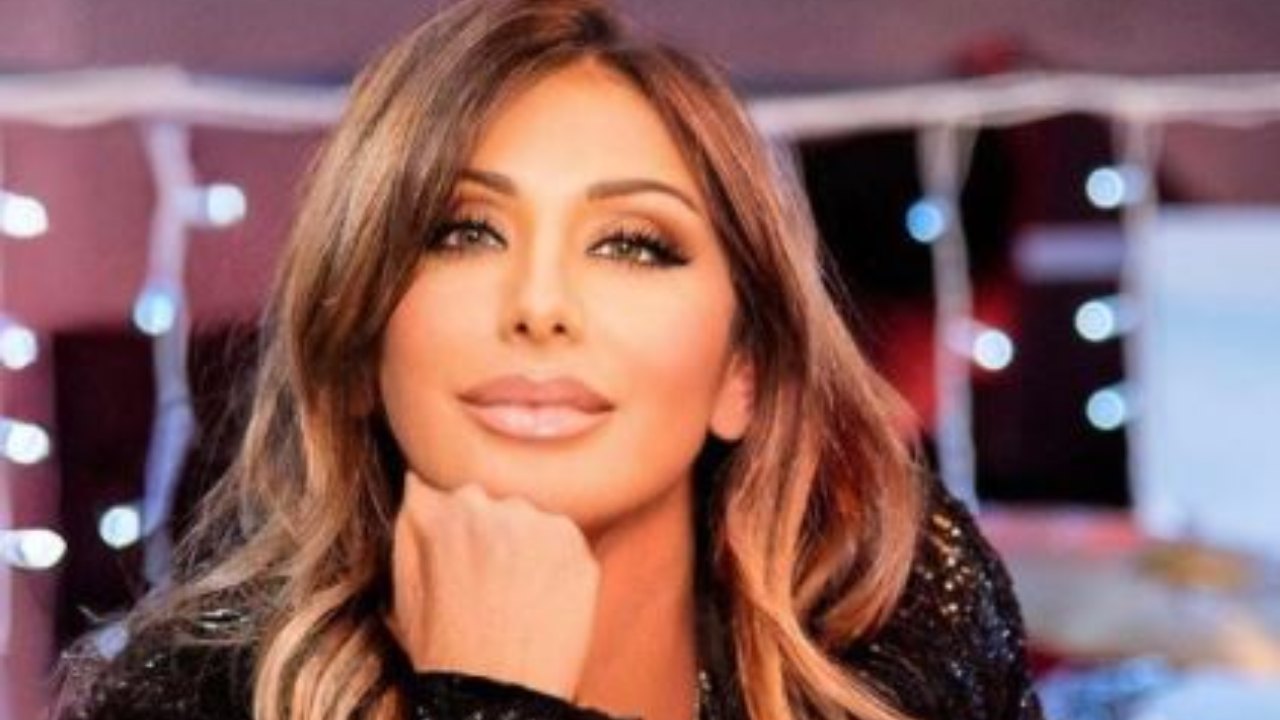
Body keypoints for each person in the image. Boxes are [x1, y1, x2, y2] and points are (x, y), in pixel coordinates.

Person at [54, 1, 1045, 719]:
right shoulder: (190, 698)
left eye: (632, 244)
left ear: (741, 372)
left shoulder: (901, 624)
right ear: (355, 343)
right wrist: (488, 697)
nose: (538, 306)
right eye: (461, 233)